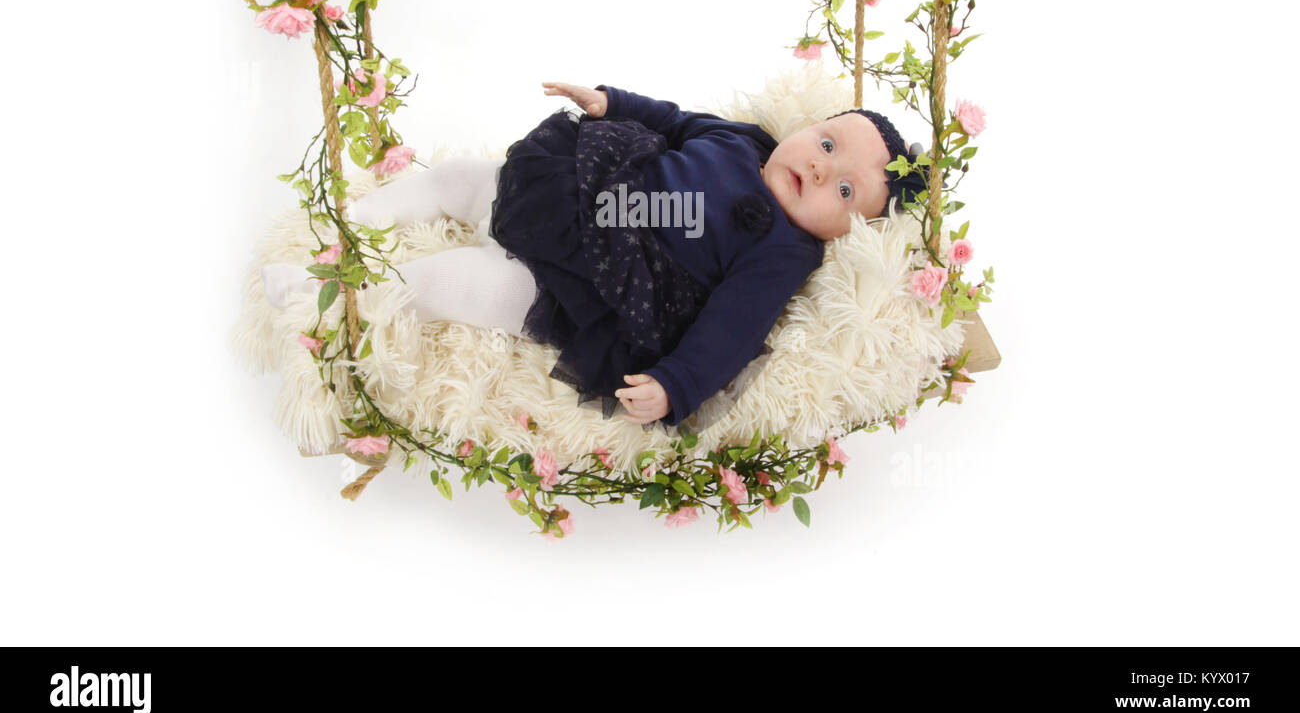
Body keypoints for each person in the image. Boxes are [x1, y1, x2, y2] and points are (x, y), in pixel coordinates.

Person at [263, 82, 925, 429]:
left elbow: (735, 324)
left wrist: (678, 384)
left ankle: (323, 294)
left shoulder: (786, 249)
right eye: (828, 141)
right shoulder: (751, 139)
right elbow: (677, 120)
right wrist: (612, 102)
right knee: (469, 177)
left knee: (463, 283)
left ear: (849, 230)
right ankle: (368, 210)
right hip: (580, 195)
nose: (817, 164)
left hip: (604, 286)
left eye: (845, 189)